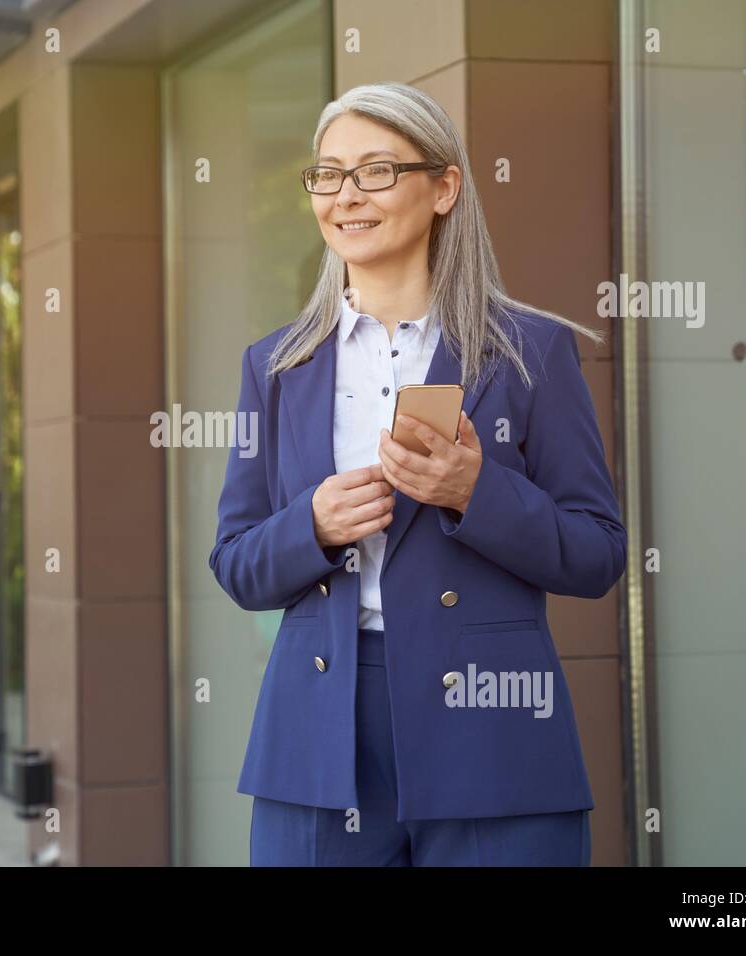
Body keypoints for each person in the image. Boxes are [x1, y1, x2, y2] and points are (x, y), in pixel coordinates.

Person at [209, 82, 627, 866]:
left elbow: (598, 553)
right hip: (320, 740)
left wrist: (476, 493)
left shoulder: (529, 351)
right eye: (327, 175)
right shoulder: (273, 366)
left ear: (444, 188)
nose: (345, 196)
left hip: (491, 734)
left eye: (375, 171)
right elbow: (236, 563)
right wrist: (313, 525)